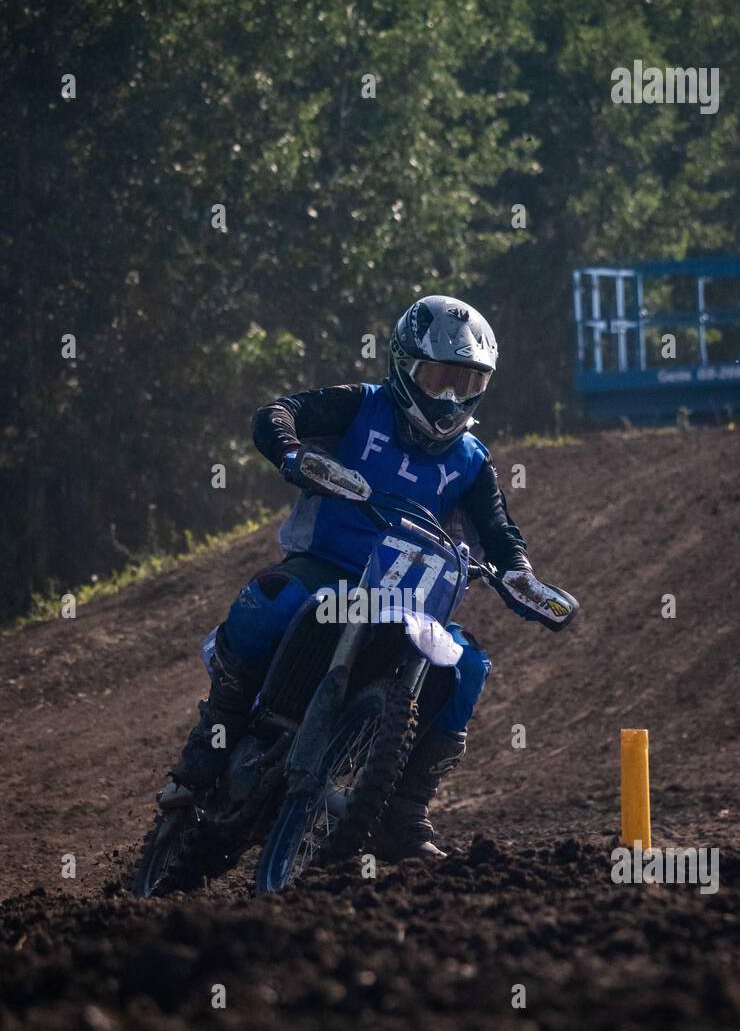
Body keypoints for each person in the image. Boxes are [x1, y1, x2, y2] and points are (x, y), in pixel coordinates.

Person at [172, 295, 576, 859]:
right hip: (328, 565)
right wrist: (293, 453)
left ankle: (403, 811)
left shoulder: (471, 459)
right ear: (403, 367)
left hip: (409, 593)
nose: (449, 397)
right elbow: (277, 413)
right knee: (274, 600)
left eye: (465, 383)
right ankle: (212, 740)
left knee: (469, 667)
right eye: (437, 378)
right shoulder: (360, 406)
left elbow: (501, 533)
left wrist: (521, 578)